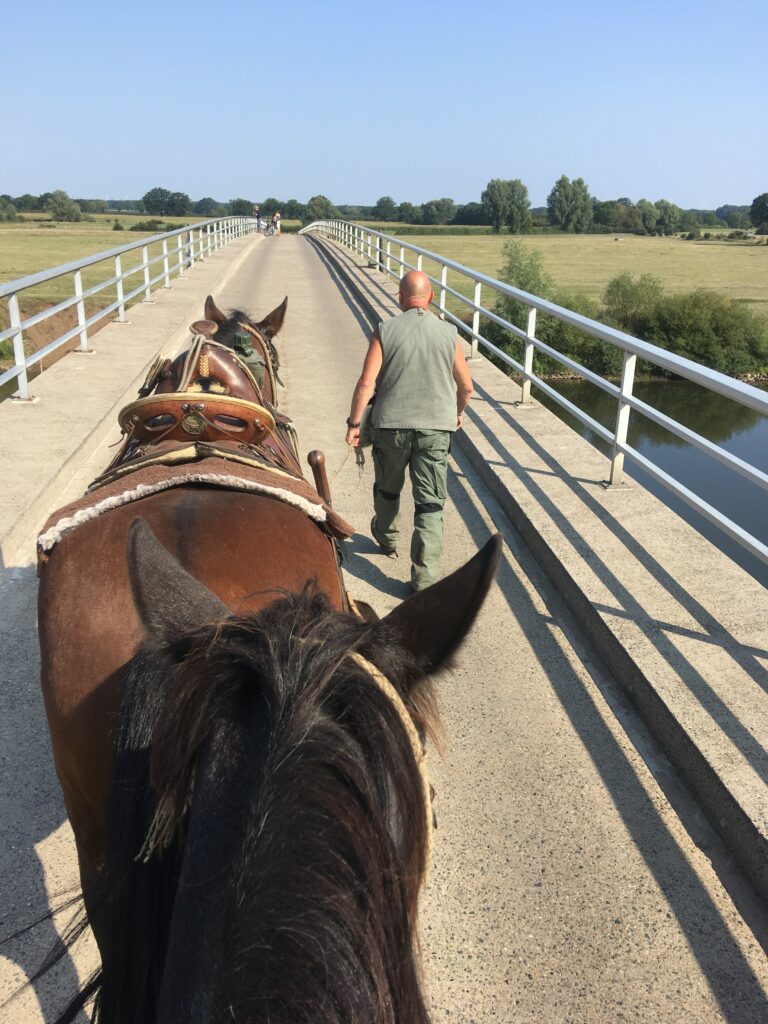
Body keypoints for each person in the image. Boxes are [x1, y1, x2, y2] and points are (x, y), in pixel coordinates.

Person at [345, 270, 473, 591]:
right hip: (435, 430)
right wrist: (457, 412)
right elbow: (466, 386)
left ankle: (387, 537)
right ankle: (424, 578)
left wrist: (354, 423)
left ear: (400, 298)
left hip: (390, 428)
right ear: (430, 297)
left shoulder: (384, 331)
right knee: (430, 503)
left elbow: (365, 383)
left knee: (388, 488)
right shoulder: (449, 334)